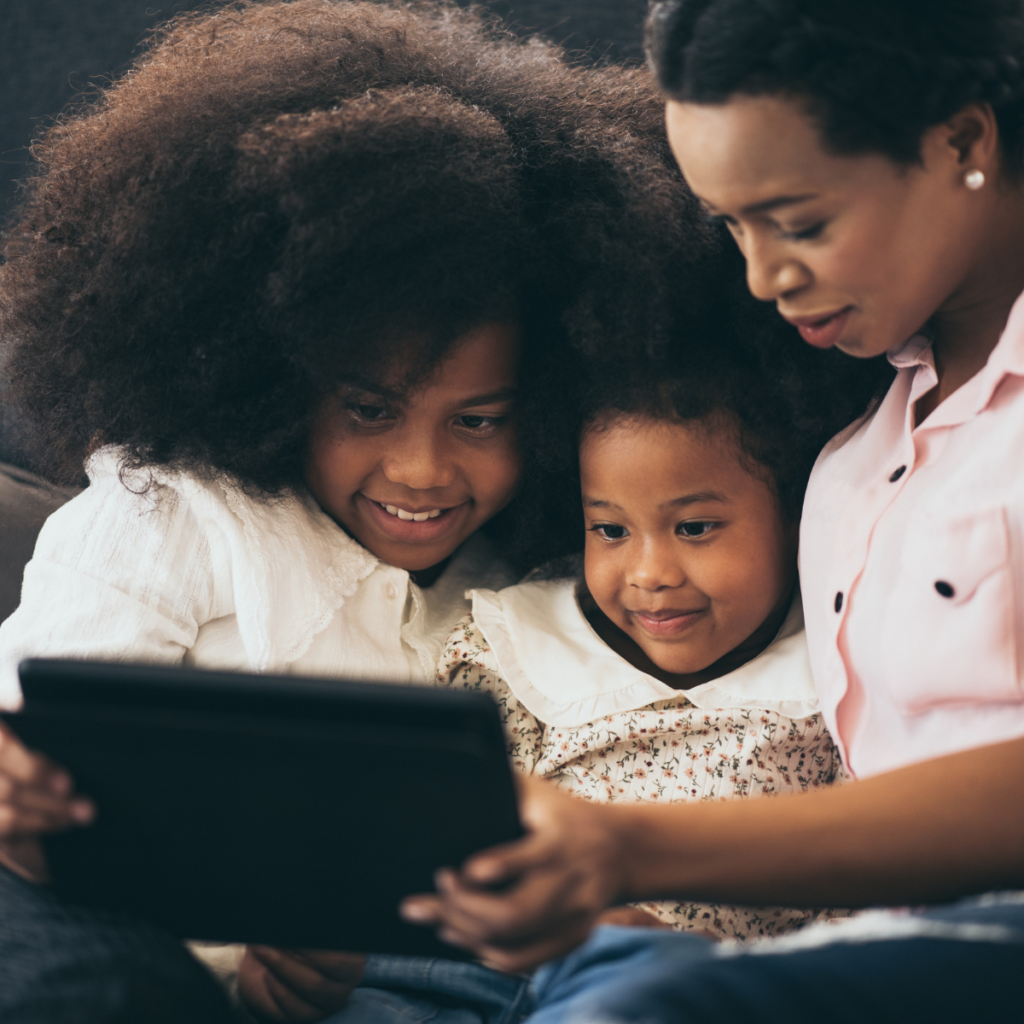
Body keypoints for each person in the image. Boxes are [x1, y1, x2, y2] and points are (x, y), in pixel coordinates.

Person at [0, 1, 702, 1019]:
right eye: (368, 409)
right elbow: (37, 740)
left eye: (480, 420)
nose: (420, 470)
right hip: (94, 928)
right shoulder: (176, 512)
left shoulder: (515, 595)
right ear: (276, 382)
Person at [398, 1, 1024, 1020]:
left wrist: (628, 844)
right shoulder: (850, 460)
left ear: (960, 139)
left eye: (801, 221)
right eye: (731, 226)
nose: (764, 276)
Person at [242, 298, 890, 1021]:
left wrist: (699, 955)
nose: (648, 571)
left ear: (798, 514)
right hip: (456, 969)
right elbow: (414, 840)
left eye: (696, 527)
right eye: (609, 529)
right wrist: (320, 956)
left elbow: (860, 916)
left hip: (677, 989)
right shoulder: (514, 642)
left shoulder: (833, 684)